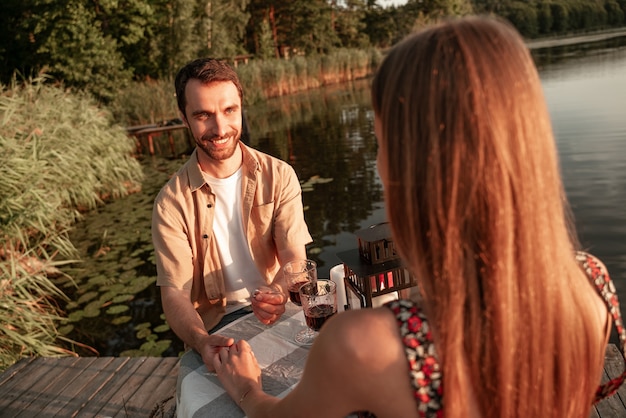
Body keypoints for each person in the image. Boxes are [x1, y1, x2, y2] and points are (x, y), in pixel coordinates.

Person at [211, 15, 626, 418]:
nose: (377, 161)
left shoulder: (365, 346)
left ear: (413, 163)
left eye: (380, 141)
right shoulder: (590, 284)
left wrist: (247, 388)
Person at [151, 58, 312, 372]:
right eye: (203, 115)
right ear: (184, 117)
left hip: (281, 311)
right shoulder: (170, 203)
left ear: (241, 107)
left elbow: (296, 259)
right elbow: (174, 295)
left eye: (229, 111)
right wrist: (200, 340)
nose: (220, 129)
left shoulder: (279, 175)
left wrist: (278, 293)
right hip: (214, 329)